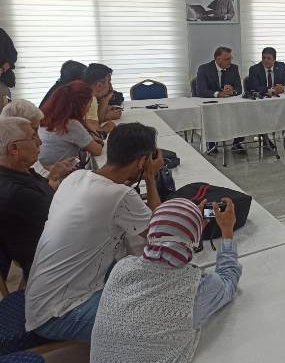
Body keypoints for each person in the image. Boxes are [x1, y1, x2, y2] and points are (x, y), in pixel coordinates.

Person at [25, 122, 164, 342]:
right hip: (59, 313)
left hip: (40, 299)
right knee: (164, 319)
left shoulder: (76, 177)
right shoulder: (119, 195)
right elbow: (160, 233)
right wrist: (150, 178)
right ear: (141, 161)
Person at [90, 197, 242, 363]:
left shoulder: (122, 267)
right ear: (193, 241)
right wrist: (227, 231)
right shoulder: (195, 289)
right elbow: (229, 278)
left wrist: (190, 229)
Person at [0, 116, 73, 279]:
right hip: (51, 265)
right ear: (14, 148)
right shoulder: (14, 192)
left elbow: (49, 194)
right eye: (33, 137)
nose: (40, 142)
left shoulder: (20, 171)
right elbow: (64, 219)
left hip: (55, 245)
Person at [38, 80, 103, 169]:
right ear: (81, 105)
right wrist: (97, 139)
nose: (90, 107)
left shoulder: (45, 118)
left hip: (43, 171)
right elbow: (97, 151)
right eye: (89, 103)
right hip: (61, 174)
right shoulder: (70, 125)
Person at [195, 46, 245, 154]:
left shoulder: (234, 68)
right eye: (227, 59)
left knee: (242, 111)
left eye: (231, 58)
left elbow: (239, 89)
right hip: (211, 104)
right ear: (218, 59)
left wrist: (232, 91)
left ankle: (237, 142)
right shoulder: (204, 69)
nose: (230, 61)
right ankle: (211, 142)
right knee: (211, 113)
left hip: (229, 104)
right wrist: (218, 94)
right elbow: (201, 91)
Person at [247, 47, 285, 147]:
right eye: (263, 58)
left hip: (280, 100)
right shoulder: (254, 69)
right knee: (263, 113)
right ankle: (265, 139)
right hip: (263, 101)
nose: (265, 60)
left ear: (274, 60)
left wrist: (283, 88)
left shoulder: (281, 66)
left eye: (268, 58)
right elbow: (254, 86)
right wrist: (271, 90)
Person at [83, 63, 120, 134]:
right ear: (99, 85)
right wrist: (107, 126)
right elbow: (95, 133)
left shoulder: (81, 92)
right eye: (108, 82)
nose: (111, 86)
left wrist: (105, 100)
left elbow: (96, 122)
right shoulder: (90, 99)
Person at [0, 27, 17, 110]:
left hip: (3, 80)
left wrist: (2, 69)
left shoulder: (1, 33)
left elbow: (13, 55)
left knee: (5, 110)